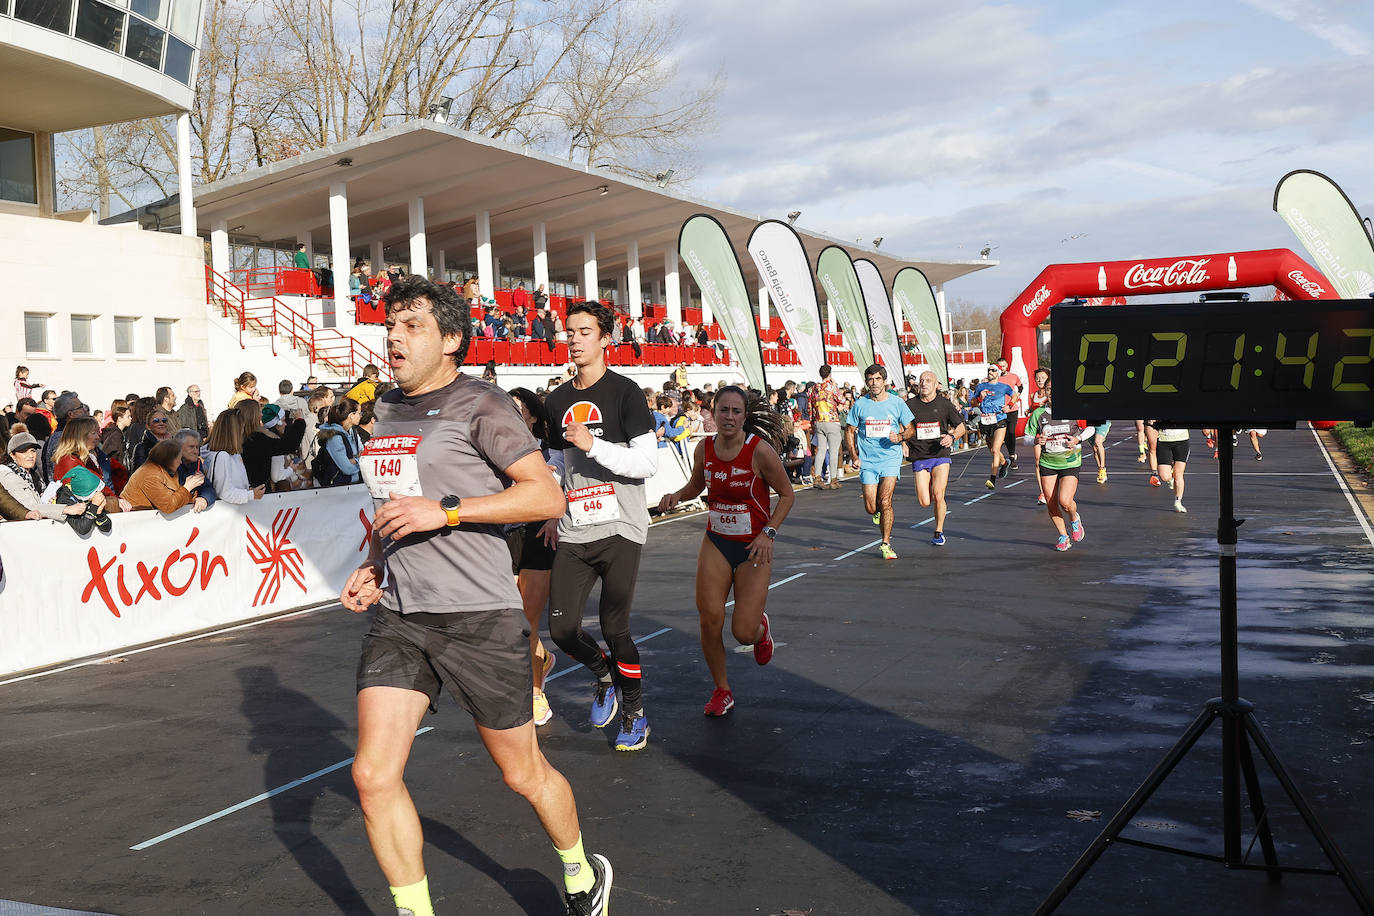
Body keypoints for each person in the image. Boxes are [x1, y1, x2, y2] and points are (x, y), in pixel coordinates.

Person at [342, 275, 613, 916]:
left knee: (522, 774)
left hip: (478, 618)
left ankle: (581, 871)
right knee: (372, 775)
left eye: (412, 327)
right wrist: (377, 564)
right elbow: (391, 503)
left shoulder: (481, 404)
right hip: (402, 616)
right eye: (391, 326)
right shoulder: (384, 409)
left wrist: (450, 511)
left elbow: (546, 496)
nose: (394, 339)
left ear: (453, 339)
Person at [543, 299, 658, 752]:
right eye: (569, 331)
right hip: (574, 528)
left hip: (622, 526)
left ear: (605, 338)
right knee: (562, 629)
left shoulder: (625, 392)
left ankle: (634, 713)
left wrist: (595, 445)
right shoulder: (556, 399)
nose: (573, 338)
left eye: (584, 331)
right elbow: (555, 463)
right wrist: (550, 503)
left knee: (616, 630)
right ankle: (602, 675)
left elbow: (646, 463)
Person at [658, 387, 794, 716]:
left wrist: (768, 534)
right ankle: (722, 690)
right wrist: (677, 495)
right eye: (723, 410)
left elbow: (787, 495)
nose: (729, 417)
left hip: (753, 549)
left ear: (744, 417)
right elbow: (697, 485)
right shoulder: (704, 448)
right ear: (713, 413)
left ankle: (760, 629)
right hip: (717, 542)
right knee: (709, 619)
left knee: (742, 632)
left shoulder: (759, 452)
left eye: (735, 411)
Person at [506, 387, 561, 727]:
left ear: (533, 416)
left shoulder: (546, 451)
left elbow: (560, 486)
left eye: (517, 409)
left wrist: (555, 516)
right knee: (512, 622)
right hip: (507, 537)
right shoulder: (494, 451)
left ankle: (536, 693)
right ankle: (542, 658)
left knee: (528, 621)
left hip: (539, 534)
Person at [843, 364, 915, 560]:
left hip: (890, 459)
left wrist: (900, 438)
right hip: (867, 460)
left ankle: (886, 543)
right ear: (866, 382)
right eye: (870, 379)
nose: (873, 383)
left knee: (885, 501)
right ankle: (877, 512)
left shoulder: (897, 403)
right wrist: (854, 456)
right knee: (871, 506)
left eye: (877, 379)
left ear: (884, 381)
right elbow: (849, 430)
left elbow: (910, 429)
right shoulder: (860, 404)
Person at [1023, 380, 1091, 551]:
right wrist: (1036, 440)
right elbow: (1026, 438)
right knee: (1051, 503)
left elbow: (1091, 428)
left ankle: (1075, 520)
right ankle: (1063, 536)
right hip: (1048, 462)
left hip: (1070, 461)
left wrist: (1078, 439)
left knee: (1065, 502)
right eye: (1049, 389)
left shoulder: (1074, 409)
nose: (1052, 392)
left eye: (1056, 389)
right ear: (1045, 391)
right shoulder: (1039, 414)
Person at [904, 370, 966, 547]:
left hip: (940, 454)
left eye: (928, 380)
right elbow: (901, 425)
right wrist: (903, 443)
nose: (924, 383)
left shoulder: (944, 404)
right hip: (920, 455)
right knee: (924, 501)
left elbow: (961, 426)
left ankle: (938, 531)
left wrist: (953, 437)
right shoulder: (910, 405)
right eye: (922, 380)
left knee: (939, 494)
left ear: (936, 384)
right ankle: (930, 485)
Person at [0, 432, 95, 523]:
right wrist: (66, 509)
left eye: (33, 451)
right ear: (12, 455)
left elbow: (36, 505)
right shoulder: (8, 475)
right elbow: (27, 507)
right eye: (24, 451)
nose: (30, 456)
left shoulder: (34, 475)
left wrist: (49, 500)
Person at [52, 417, 130, 512]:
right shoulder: (69, 460)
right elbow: (87, 491)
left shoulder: (87, 458)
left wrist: (116, 499)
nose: (98, 437)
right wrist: (115, 500)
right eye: (93, 433)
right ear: (80, 436)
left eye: (97, 432)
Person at [122, 439, 209, 515]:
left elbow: (175, 496)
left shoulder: (166, 470)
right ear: (169, 459)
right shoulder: (149, 474)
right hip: (136, 521)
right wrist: (188, 487)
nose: (180, 462)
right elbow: (168, 506)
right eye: (179, 458)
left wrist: (197, 496)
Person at [202, 409, 266, 504]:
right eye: (242, 428)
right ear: (234, 431)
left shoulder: (234, 454)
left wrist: (249, 491)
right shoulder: (222, 456)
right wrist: (251, 495)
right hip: (229, 513)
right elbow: (224, 493)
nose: (243, 432)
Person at [970, 366, 1016, 490]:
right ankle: (1005, 462)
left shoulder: (1004, 386)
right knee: (992, 450)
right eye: (989, 370)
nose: (990, 372)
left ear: (998, 373)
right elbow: (973, 403)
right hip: (985, 421)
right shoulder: (981, 386)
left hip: (999, 419)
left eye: (993, 370)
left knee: (996, 450)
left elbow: (1015, 396)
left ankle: (992, 479)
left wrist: (1009, 406)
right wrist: (980, 398)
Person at [809, 364, 845, 489]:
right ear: (829, 373)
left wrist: (813, 422)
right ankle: (833, 479)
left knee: (821, 450)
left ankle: (817, 478)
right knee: (834, 451)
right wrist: (835, 385)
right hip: (831, 420)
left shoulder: (813, 388)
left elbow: (811, 407)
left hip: (819, 421)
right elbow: (842, 400)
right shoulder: (832, 387)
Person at [314, 398, 363, 486]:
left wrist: (354, 460)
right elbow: (347, 468)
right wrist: (361, 462)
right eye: (359, 413)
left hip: (354, 485)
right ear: (351, 415)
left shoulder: (353, 432)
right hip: (337, 487)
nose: (361, 416)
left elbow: (363, 453)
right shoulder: (334, 437)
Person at [1153, 421, 1191, 513]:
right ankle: (1170, 479)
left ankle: (1178, 502)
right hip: (1164, 440)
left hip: (1182, 440)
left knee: (1178, 474)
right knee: (1164, 476)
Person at [174, 428, 217, 508]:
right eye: (191, 447)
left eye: (197, 447)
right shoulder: (170, 465)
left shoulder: (196, 463)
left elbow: (208, 487)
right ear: (178, 447)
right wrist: (188, 486)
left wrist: (204, 498)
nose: (196, 451)